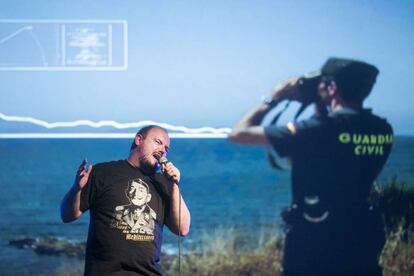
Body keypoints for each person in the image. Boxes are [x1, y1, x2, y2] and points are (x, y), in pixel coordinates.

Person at [229, 57, 393, 275]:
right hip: (360, 237)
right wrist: (321, 101)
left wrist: (274, 99)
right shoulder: (383, 130)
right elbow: (339, 144)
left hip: (313, 241)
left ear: (332, 87)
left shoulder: (313, 131)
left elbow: (239, 133)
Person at [60, 125, 191, 276]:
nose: (163, 150)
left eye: (166, 148)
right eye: (157, 142)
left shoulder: (163, 184)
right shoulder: (102, 172)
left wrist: (174, 186)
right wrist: (77, 188)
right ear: (139, 140)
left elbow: (183, 229)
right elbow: (67, 215)